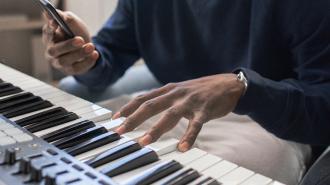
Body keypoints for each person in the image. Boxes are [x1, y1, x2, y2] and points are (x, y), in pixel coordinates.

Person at [42, 1, 330, 184]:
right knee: (72, 152)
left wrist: (245, 88)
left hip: (268, 122)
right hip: (170, 103)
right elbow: (110, 57)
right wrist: (85, 55)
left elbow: (323, 104)